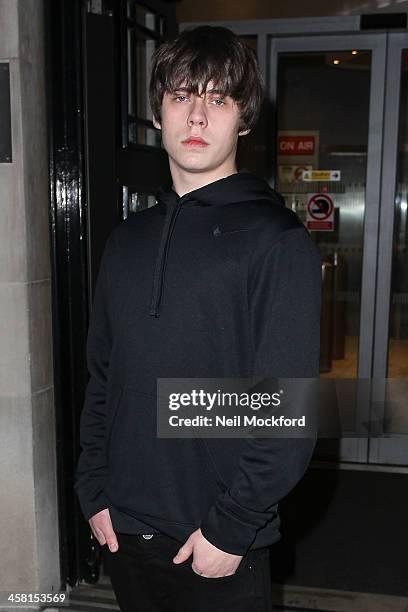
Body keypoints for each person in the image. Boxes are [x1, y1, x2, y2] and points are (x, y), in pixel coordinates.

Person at [74, 25, 322, 612]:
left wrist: (232, 527)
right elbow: (102, 379)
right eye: (182, 95)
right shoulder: (126, 242)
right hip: (124, 529)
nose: (197, 117)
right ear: (158, 112)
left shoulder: (276, 242)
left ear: (244, 119)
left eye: (217, 99)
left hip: (214, 541)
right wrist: (93, 488)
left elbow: (286, 407)